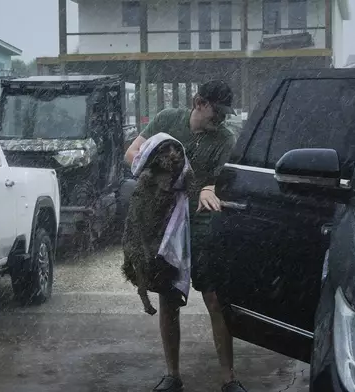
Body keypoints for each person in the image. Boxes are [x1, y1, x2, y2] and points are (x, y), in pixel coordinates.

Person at [124, 80, 246, 392]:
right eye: (215, 111)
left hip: (203, 225)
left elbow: (224, 179)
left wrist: (209, 186)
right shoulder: (167, 120)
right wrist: (159, 170)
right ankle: (172, 375)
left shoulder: (224, 138)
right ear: (199, 103)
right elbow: (132, 154)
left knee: (215, 299)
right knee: (168, 298)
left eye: (224, 113)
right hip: (165, 223)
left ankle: (229, 379)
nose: (219, 118)